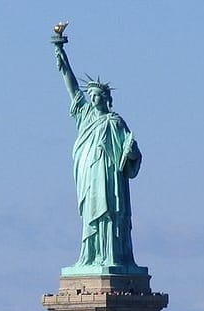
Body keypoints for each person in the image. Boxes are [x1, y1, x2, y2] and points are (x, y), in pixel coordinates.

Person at [54, 39, 142, 271]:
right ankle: (91, 256)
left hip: (110, 175)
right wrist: (63, 58)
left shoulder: (115, 122)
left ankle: (112, 256)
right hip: (89, 174)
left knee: (110, 213)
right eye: (91, 95)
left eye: (97, 96)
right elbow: (73, 89)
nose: (93, 99)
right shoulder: (84, 116)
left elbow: (132, 153)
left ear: (106, 98)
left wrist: (131, 152)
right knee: (91, 214)